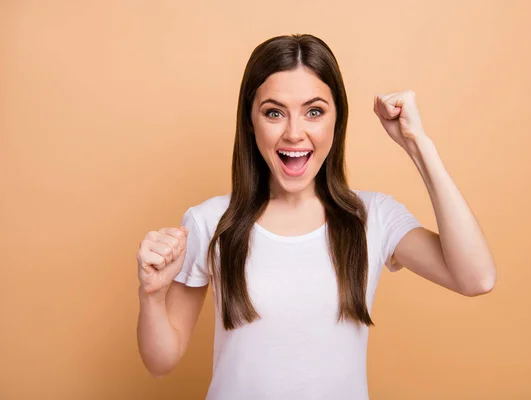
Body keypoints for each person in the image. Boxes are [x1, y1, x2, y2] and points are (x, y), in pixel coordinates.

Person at [136, 34, 497, 399]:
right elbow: (160, 361)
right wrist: (152, 295)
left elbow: (476, 278)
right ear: (250, 121)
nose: (295, 133)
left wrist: (418, 143)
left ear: (337, 119)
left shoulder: (373, 218)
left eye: (314, 111)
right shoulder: (210, 221)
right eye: (274, 112)